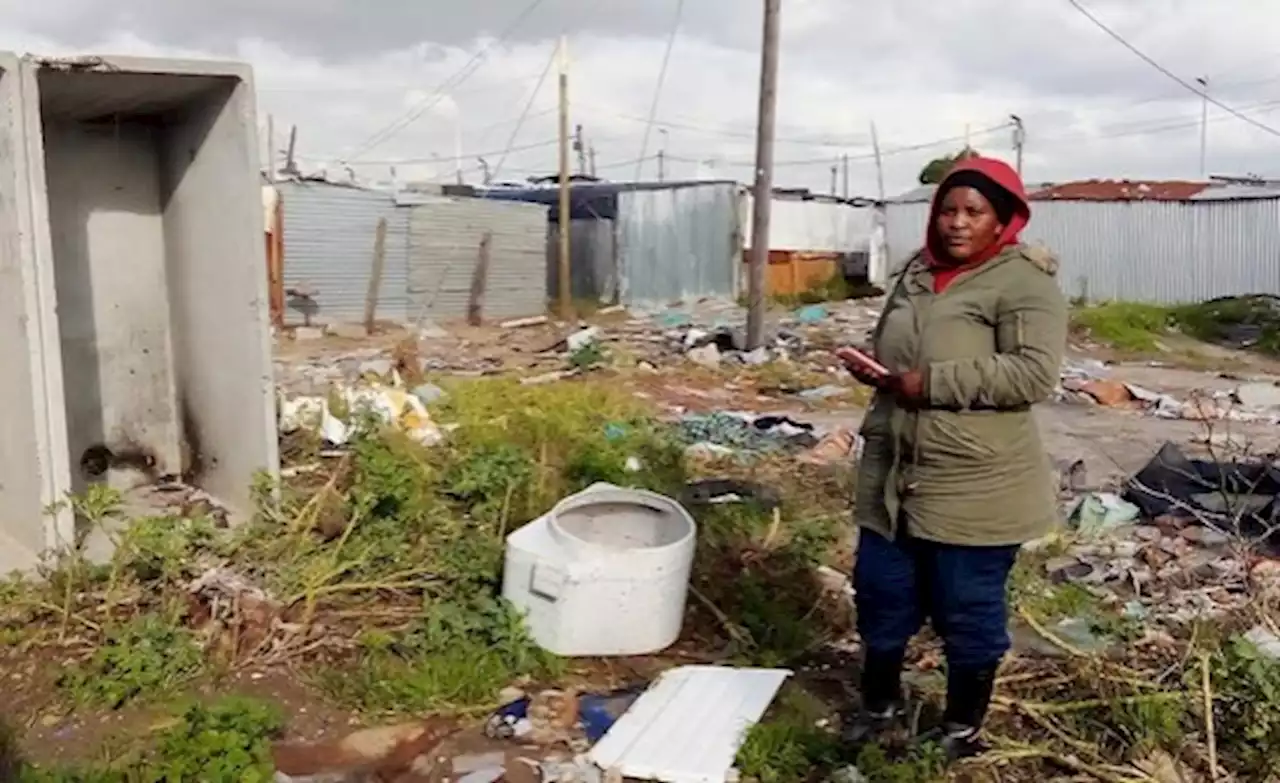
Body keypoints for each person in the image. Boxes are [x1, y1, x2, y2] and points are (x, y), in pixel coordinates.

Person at [840, 156, 1068, 760]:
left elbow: (1033, 373)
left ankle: (961, 728)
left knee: (966, 613)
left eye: (973, 212)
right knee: (881, 596)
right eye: (947, 210)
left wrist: (930, 382)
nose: (956, 224)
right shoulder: (919, 272)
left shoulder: (1023, 281)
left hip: (976, 481)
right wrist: (879, 371)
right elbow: (900, 344)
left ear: (1002, 221)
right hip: (894, 473)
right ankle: (878, 707)